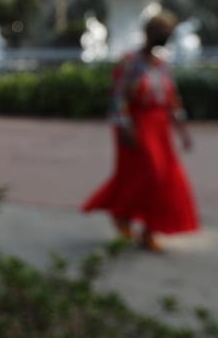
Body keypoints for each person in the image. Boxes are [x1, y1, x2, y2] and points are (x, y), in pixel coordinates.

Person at [81, 13, 200, 252]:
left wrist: (183, 132)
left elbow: (173, 101)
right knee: (149, 175)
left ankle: (149, 230)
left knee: (163, 178)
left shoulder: (162, 65)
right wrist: (125, 127)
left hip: (160, 129)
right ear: (149, 33)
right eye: (160, 32)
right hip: (137, 127)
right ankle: (123, 214)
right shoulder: (131, 63)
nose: (164, 38)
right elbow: (118, 99)